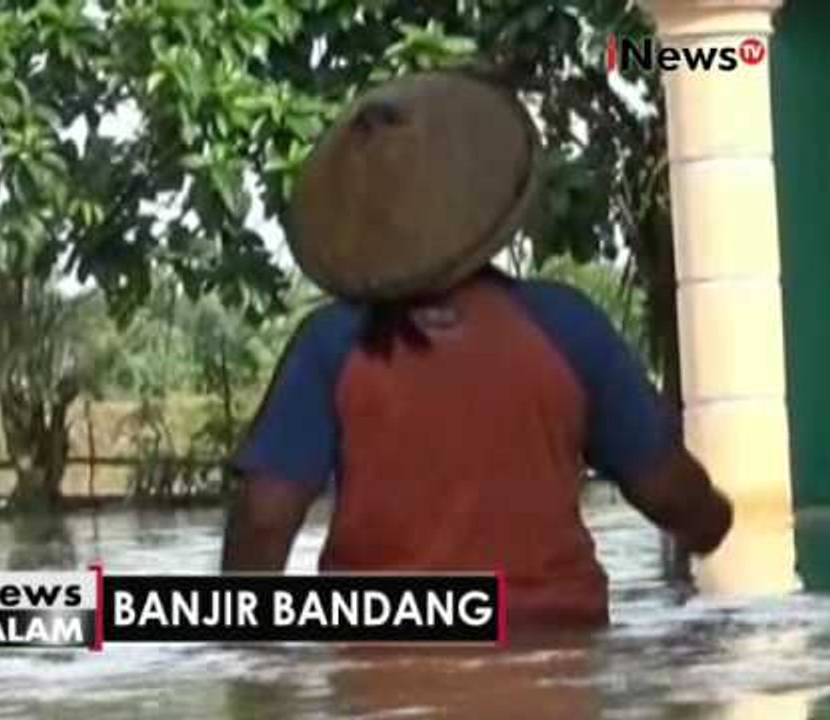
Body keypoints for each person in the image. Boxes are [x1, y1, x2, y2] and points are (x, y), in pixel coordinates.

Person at [221, 70, 732, 628]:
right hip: (558, 670)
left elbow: (265, 517)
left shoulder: (332, 344)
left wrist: (243, 648)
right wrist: (716, 523)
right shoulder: (565, 325)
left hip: (380, 668)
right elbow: (671, 494)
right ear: (479, 200)